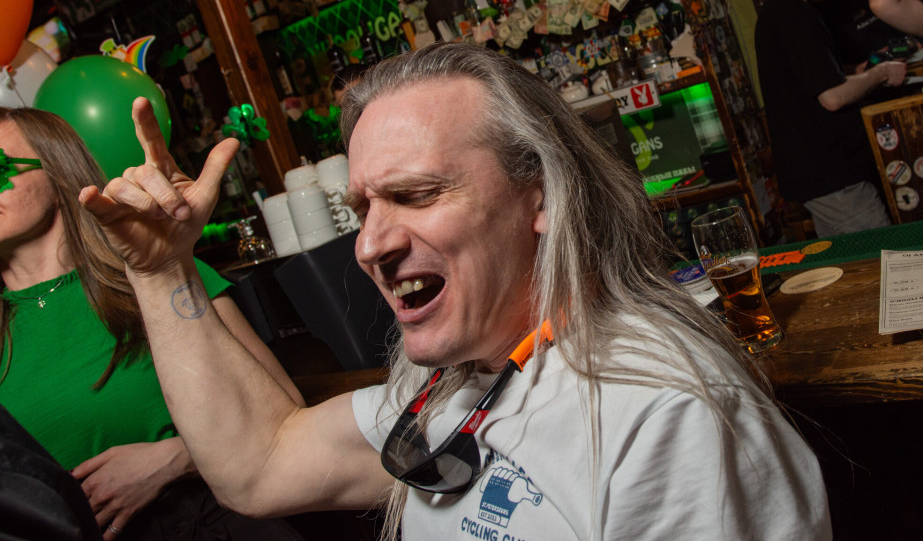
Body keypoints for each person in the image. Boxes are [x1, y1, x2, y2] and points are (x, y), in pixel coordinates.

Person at [78, 45, 832, 540]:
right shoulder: (447, 390)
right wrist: (161, 269)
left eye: (416, 194)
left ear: (541, 196)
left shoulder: (661, 415)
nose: (369, 245)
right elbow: (258, 464)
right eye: (363, 208)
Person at [0, 108, 305, 541]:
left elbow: (283, 409)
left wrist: (172, 460)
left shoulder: (156, 268)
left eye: (0, 166)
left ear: (55, 169)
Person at [755, 0, 905, 236]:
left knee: (861, 262)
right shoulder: (791, 14)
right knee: (886, 258)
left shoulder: (784, 11)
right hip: (833, 177)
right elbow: (832, 97)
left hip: (825, 176)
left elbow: (815, 82)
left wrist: (854, 73)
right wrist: (881, 73)